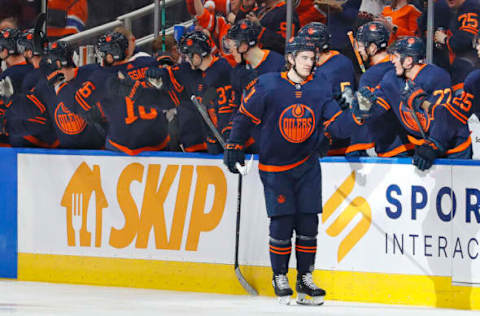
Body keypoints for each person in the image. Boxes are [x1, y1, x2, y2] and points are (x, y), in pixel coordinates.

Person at [223, 35, 363, 305]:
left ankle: (305, 278)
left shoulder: (320, 87)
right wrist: (234, 144)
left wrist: (359, 113)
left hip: (307, 165)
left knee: (309, 224)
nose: (310, 63)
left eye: (312, 58)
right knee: (283, 222)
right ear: (290, 59)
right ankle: (280, 276)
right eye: (304, 58)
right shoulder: (268, 85)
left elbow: (338, 127)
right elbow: (244, 116)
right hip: (276, 168)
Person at [355, 21, 412, 157]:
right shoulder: (403, 65)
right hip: (415, 142)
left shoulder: (369, 76)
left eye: (361, 46)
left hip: (392, 148)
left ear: (373, 48)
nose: (358, 50)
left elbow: (363, 114)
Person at [433, 0, 480, 88]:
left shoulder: (470, 7)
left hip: (469, 71)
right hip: (463, 72)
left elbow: (466, 39)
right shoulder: (459, 10)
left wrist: (445, 39)